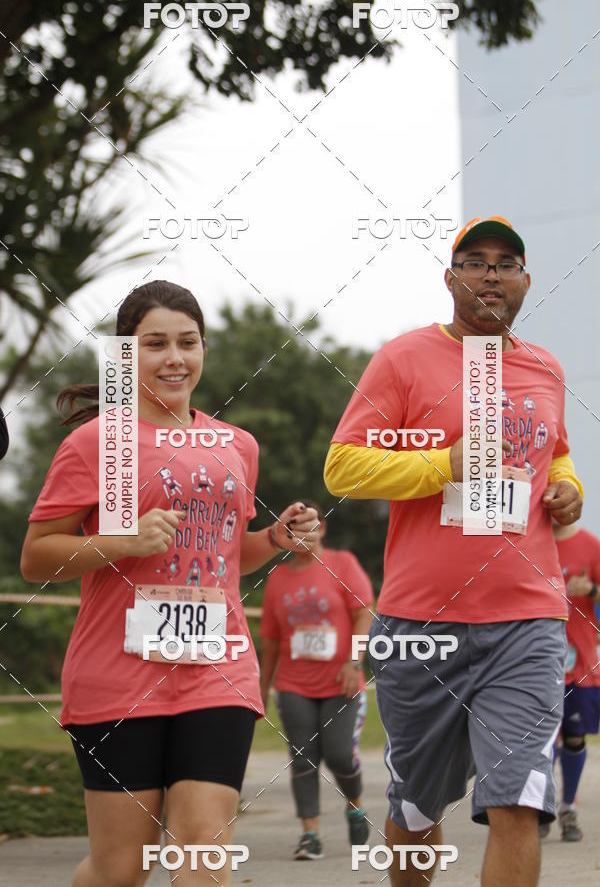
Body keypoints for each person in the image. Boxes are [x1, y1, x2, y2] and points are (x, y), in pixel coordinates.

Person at [20, 280, 320, 887]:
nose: (175, 358)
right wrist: (124, 542)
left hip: (218, 669)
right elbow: (36, 557)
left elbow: (224, 557)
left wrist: (276, 542)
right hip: (118, 674)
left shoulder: (237, 445)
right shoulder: (99, 443)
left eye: (188, 342)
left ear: (204, 349)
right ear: (127, 356)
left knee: (203, 862)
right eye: (155, 343)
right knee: (120, 870)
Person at [324, 216, 584, 887]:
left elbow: (554, 453)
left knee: (519, 801)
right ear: (451, 279)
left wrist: (566, 488)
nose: (490, 274)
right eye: (474, 262)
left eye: (505, 263)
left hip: (528, 620)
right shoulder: (404, 358)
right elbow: (344, 469)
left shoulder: (545, 368)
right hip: (420, 626)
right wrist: (445, 464)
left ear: (524, 280)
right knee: (416, 808)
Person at [259, 500, 374, 861]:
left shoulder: (343, 565)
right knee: (303, 758)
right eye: (292, 529)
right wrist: (260, 692)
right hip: (294, 684)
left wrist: (353, 661)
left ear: (322, 528)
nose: (302, 534)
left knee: (340, 755)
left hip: (340, 679)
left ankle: (354, 806)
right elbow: (272, 641)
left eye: (308, 526)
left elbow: (363, 615)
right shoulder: (278, 578)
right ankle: (310, 834)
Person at [549, 522, 600, 842]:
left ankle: (567, 808)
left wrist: (592, 591)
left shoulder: (590, 546)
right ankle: (536, 808)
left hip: (579, 661)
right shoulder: (527, 542)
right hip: (535, 662)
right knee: (538, 741)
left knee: (574, 737)